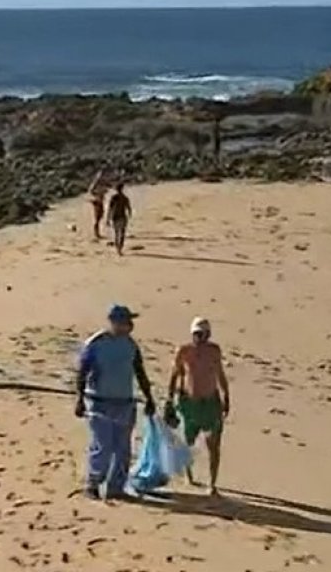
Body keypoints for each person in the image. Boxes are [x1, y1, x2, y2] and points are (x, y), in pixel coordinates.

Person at [75, 304, 156, 501]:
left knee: (122, 448)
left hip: (125, 402)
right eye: (126, 322)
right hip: (99, 401)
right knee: (102, 446)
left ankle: (116, 487)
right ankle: (93, 484)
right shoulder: (96, 343)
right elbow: (82, 372)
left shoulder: (130, 345)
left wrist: (149, 397)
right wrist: (80, 399)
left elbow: (139, 372)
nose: (130, 325)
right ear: (115, 323)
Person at [168, 317, 230, 496]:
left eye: (203, 335)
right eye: (196, 334)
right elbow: (174, 376)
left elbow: (220, 374)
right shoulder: (184, 351)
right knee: (187, 441)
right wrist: (169, 400)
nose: (200, 338)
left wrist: (226, 396)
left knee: (213, 443)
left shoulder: (214, 351)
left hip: (210, 402)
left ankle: (213, 483)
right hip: (190, 403)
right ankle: (189, 476)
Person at [107, 182, 132, 256]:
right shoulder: (125, 198)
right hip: (122, 216)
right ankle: (120, 248)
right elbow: (128, 208)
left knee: (117, 233)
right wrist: (130, 214)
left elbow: (110, 208)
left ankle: (118, 248)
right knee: (122, 233)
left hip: (115, 216)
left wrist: (108, 218)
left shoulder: (114, 198)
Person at [87, 170, 108, 241]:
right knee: (97, 218)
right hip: (97, 201)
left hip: (100, 201)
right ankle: (96, 233)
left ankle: (97, 233)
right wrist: (97, 195)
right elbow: (91, 190)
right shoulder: (95, 184)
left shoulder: (102, 183)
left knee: (100, 216)